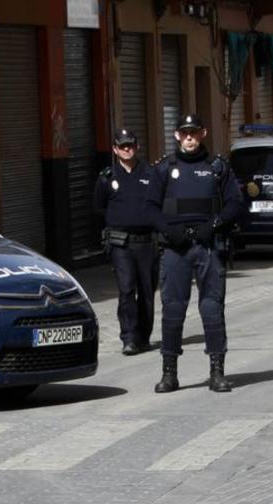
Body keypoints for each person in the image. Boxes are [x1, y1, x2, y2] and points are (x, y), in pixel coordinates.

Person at [146, 114, 243, 393]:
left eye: (194, 132)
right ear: (177, 135)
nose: (189, 138)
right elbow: (150, 208)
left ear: (203, 133)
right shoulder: (164, 168)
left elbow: (236, 203)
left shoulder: (217, 167)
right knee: (173, 310)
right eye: (184, 133)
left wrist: (213, 225)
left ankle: (217, 372)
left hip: (208, 246)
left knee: (212, 308)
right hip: (175, 249)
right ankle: (169, 373)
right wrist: (169, 230)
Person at [93, 129, 157, 356]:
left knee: (147, 291)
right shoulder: (107, 177)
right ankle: (128, 338)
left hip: (147, 242)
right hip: (121, 244)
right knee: (127, 290)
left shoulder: (151, 173)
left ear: (136, 147)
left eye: (130, 145)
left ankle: (144, 336)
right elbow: (99, 207)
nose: (127, 149)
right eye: (122, 146)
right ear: (115, 149)